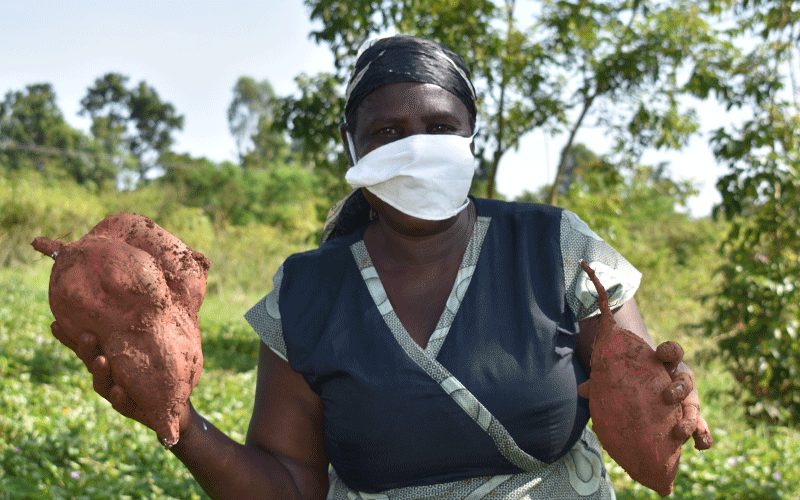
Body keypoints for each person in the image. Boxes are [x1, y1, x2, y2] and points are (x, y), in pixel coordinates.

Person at [55, 35, 712, 500]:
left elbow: (643, 407)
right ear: (355, 148)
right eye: (387, 133)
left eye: (439, 127)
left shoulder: (555, 246)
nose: (417, 148)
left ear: (470, 138)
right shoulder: (308, 292)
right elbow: (288, 486)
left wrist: (665, 403)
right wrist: (180, 425)